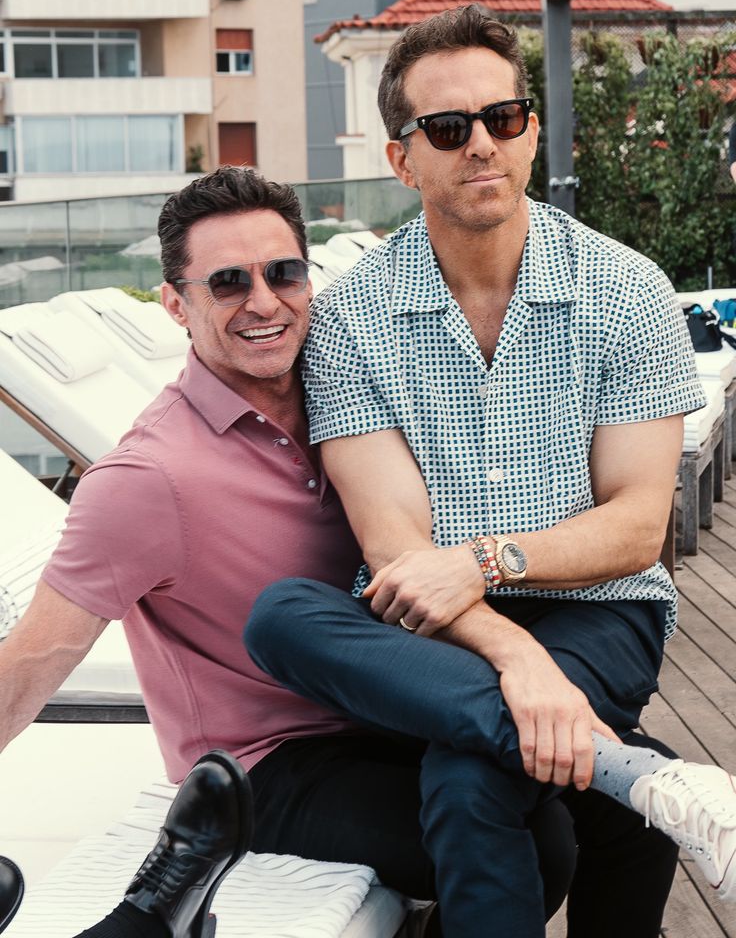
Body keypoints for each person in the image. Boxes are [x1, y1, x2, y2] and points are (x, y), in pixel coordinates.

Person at [0, 167, 680, 938]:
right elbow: (26, 668)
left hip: (394, 708)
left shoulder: (354, 389)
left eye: (283, 273)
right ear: (174, 303)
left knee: (634, 819)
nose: (263, 302)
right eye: (226, 283)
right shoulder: (146, 480)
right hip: (273, 766)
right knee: (541, 830)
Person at [243, 6, 736, 934]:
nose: (482, 146)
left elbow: (637, 528)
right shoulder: (351, 321)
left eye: (503, 119)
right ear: (404, 160)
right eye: (448, 128)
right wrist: (517, 658)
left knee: (469, 778)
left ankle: (625, 771)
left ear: (532, 131)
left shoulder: (625, 289)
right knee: (280, 617)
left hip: (602, 606)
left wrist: (485, 562)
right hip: (431, 625)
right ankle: (639, 775)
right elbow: (396, 549)